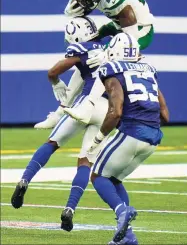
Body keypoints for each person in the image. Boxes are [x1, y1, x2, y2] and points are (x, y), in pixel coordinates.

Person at [10, 17, 113, 231]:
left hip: (85, 105)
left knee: (52, 143)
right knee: (85, 162)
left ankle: (24, 181)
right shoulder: (106, 49)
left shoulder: (81, 48)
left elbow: (53, 71)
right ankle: (69, 209)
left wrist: (55, 81)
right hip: (105, 111)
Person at [86, 32, 169, 245]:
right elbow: (165, 114)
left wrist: (97, 139)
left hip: (133, 130)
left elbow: (116, 111)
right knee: (114, 179)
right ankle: (128, 237)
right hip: (153, 136)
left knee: (97, 176)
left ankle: (122, 211)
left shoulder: (111, 69)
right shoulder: (149, 70)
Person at [63, 0, 155, 124]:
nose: (82, 2)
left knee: (101, 62)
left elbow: (130, 36)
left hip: (139, 31)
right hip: (120, 24)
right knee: (86, 54)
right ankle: (62, 108)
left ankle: (87, 107)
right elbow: (90, 0)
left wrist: (110, 54)